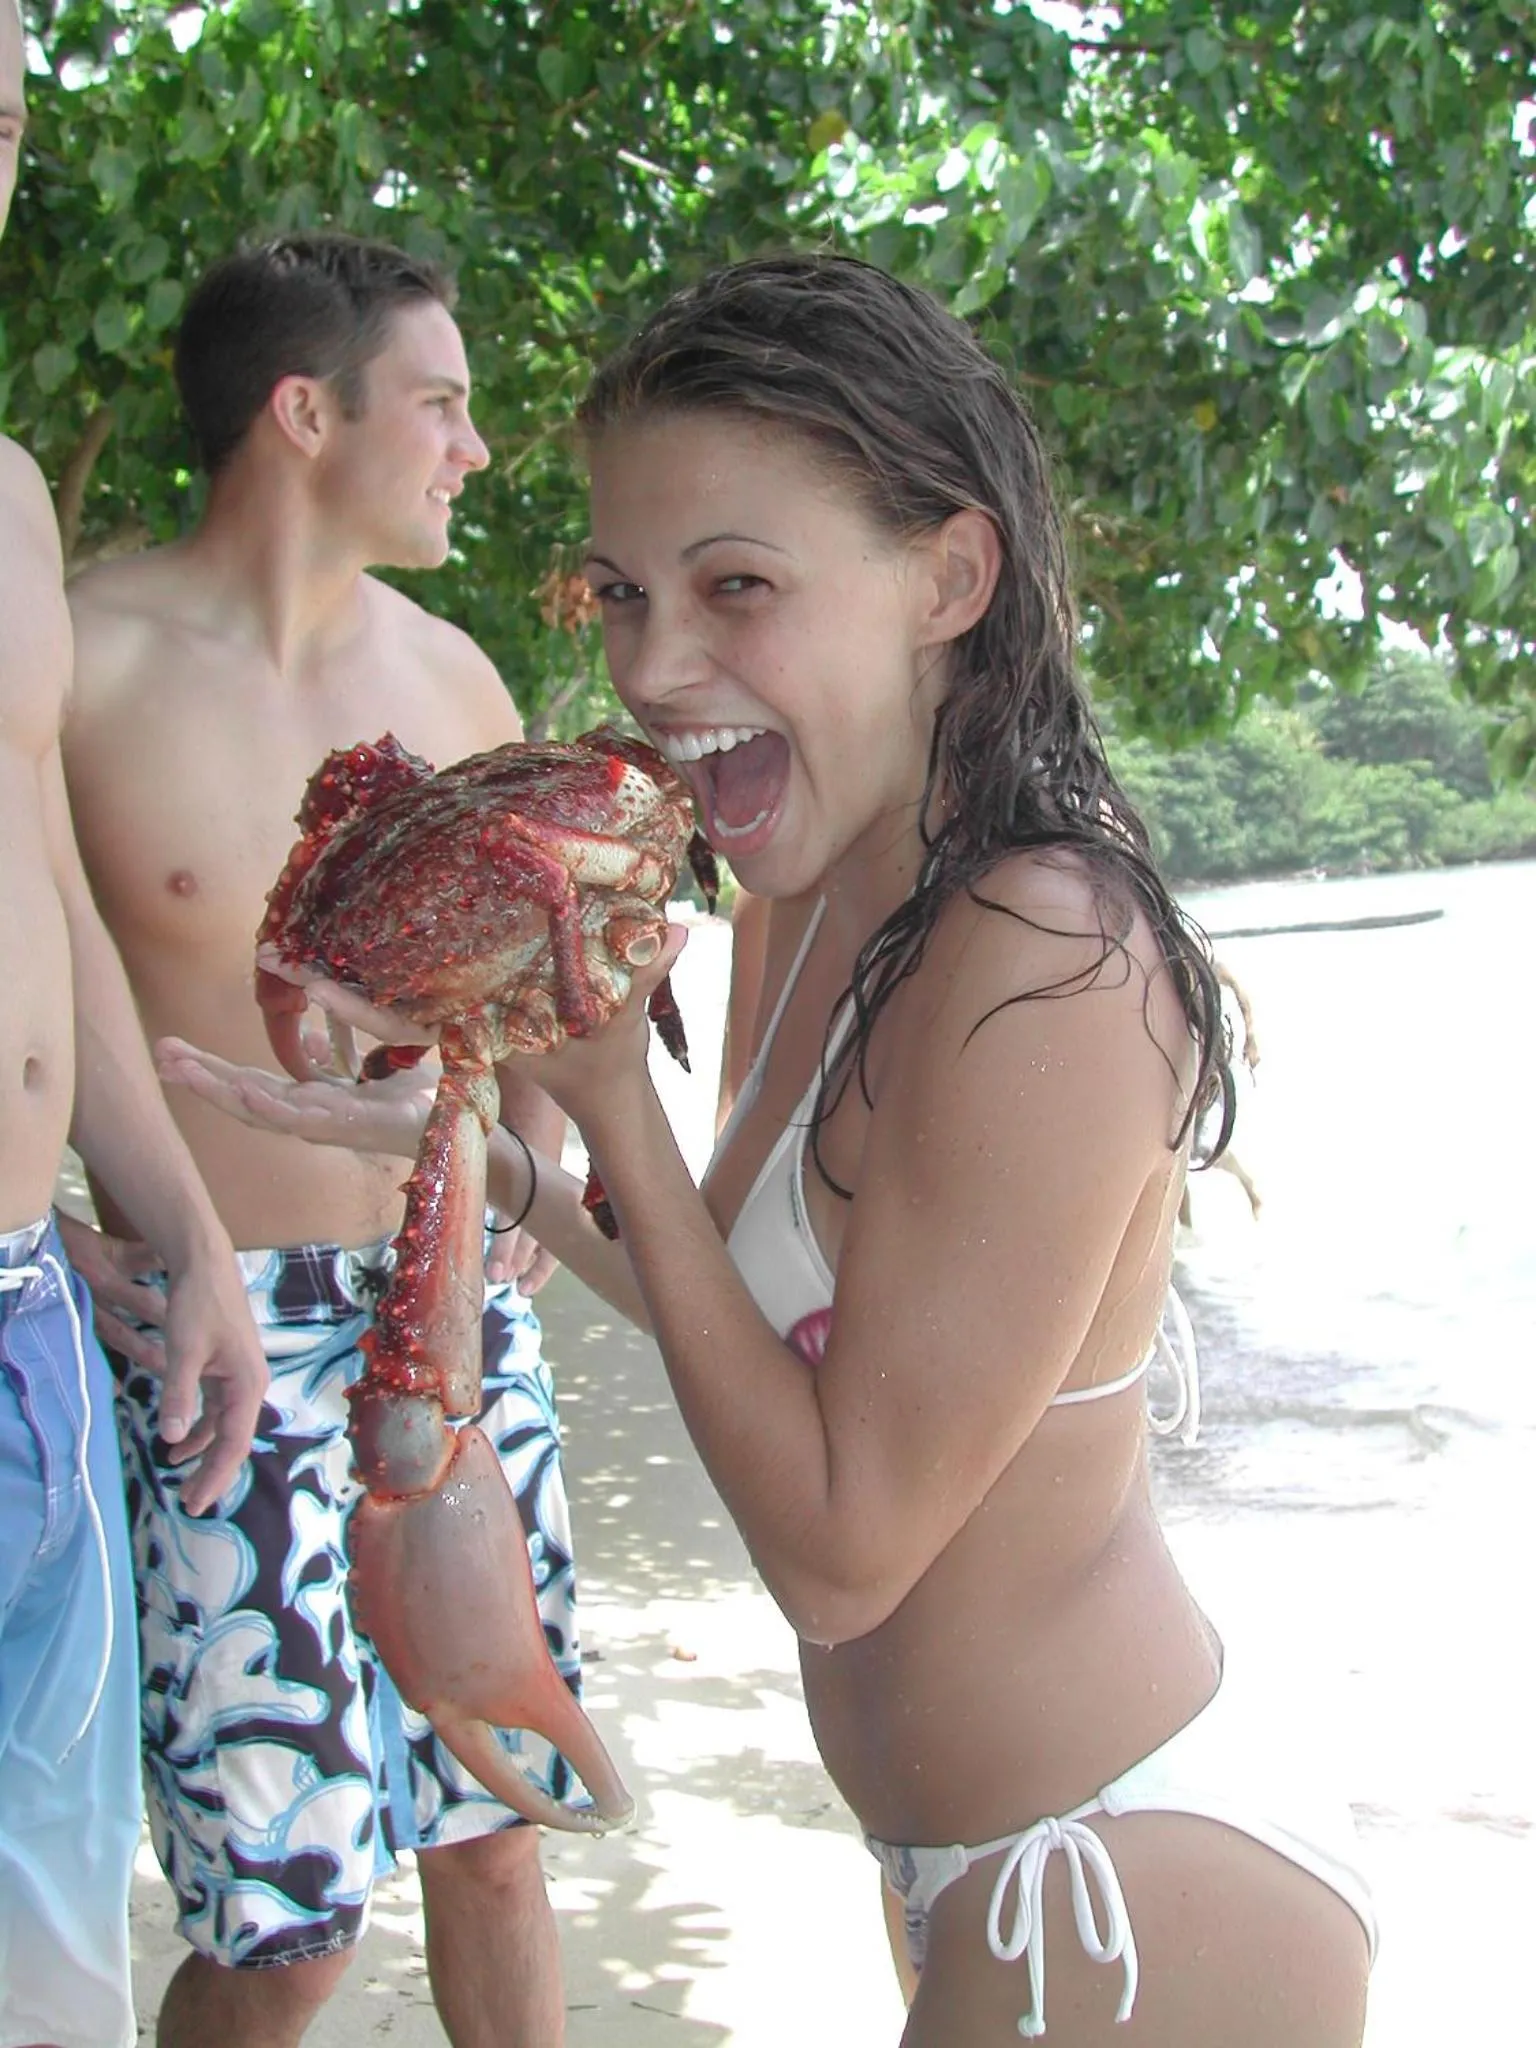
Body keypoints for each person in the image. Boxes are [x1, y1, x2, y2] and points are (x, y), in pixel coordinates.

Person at [160, 253, 1377, 2045]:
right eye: (622, 592)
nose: (653, 667)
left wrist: (611, 1104)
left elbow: (841, 1550)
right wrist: (489, 1163)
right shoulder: (812, 895)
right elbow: (730, 1309)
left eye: (738, 586)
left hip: (1127, 1878)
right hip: (960, 1856)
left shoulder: (1047, 948)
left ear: (949, 580)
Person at [60, 233, 578, 2048]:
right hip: (219, 1345)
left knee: (500, 1840)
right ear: (304, 411)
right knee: (286, 1929)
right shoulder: (78, 661)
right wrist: (54, 1231)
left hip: (455, 1318)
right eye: (441, 403)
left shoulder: (458, 684)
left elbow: (534, 993)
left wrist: (535, 1156)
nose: (474, 448)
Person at [0, 9, 267, 2043]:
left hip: (33, 1322)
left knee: (55, 1968)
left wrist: (183, 1222)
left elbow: (51, 899)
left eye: (4, 114)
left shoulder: (8, 498)